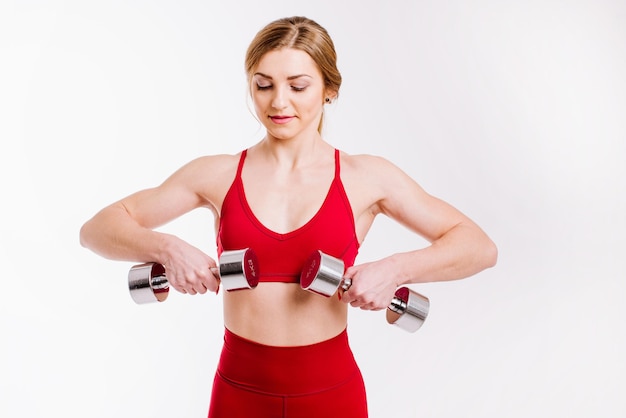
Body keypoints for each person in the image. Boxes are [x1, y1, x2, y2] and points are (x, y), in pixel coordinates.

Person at [80, 16, 497, 418]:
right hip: (238, 393)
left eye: (298, 86)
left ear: (329, 90)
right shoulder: (217, 173)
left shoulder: (367, 177)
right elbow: (97, 228)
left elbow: (478, 246)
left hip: (331, 396)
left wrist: (393, 269)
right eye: (264, 86)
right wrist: (167, 249)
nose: (279, 102)